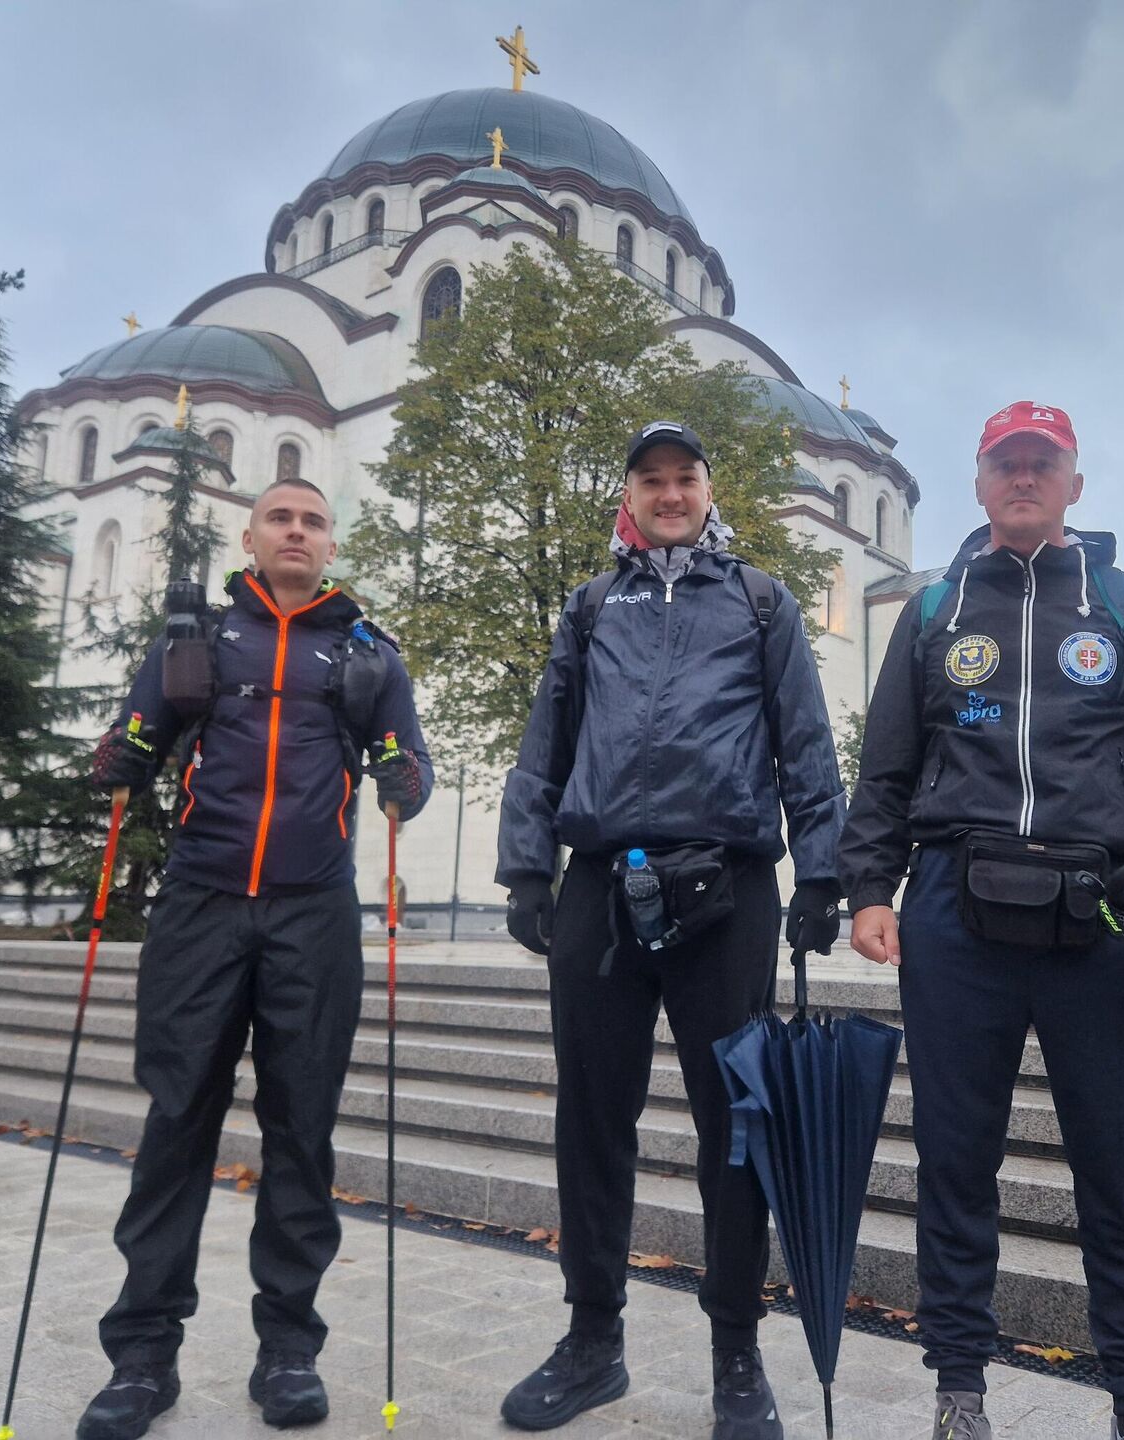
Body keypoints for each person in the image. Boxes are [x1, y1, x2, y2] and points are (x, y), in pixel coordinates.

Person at [838, 403, 1124, 1440]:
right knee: (955, 1161)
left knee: (1117, 1167)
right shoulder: (932, 614)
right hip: (954, 919)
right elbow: (883, 770)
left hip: (1101, 917)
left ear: (1074, 483)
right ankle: (959, 1389)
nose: (1023, 477)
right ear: (977, 481)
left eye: (1042, 463)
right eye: (1006, 462)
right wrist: (869, 890)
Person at [495, 420, 847, 1438]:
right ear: (632, 496)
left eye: (684, 477)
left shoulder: (759, 600)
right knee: (591, 1124)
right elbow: (545, 740)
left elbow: (806, 743)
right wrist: (528, 866)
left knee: (736, 1131)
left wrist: (821, 875)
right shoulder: (591, 604)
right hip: (602, 888)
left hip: (726, 890)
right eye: (650, 480)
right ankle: (591, 1341)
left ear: (706, 487)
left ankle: (736, 1354)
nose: (669, 493)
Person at [77, 476, 433, 1440]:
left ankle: (288, 1352)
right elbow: (133, 741)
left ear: (330, 545)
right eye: (282, 517)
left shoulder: (366, 650)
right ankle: (142, 1360)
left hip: (313, 913)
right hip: (199, 903)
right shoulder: (195, 640)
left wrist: (406, 776)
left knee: (301, 1131)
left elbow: (412, 767)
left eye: (314, 522)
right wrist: (116, 757)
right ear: (252, 534)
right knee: (177, 1120)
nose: (297, 532)